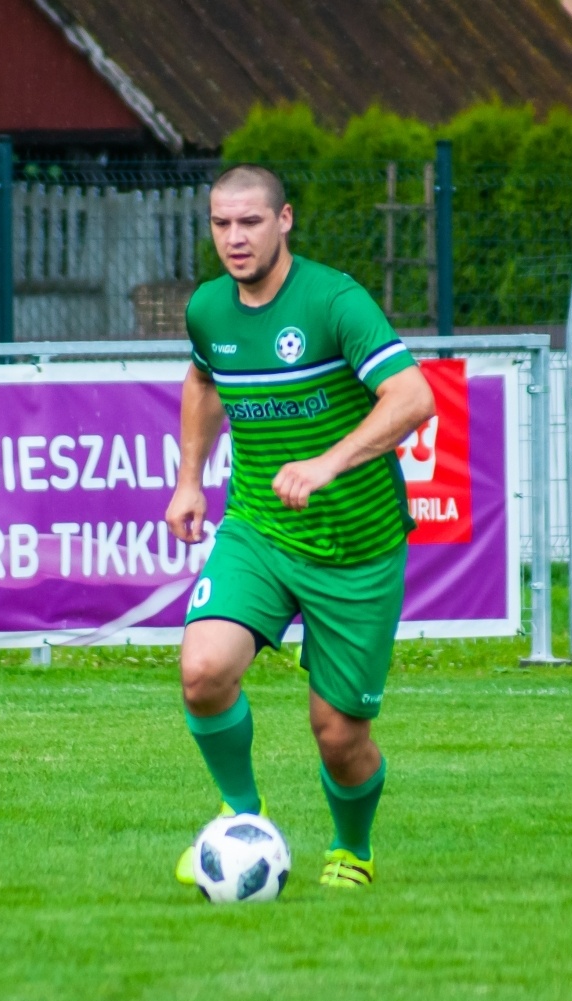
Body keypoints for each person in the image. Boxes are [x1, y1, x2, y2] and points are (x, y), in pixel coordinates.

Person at [165, 164, 435, 891]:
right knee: (203, 672)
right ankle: (240, 817)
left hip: (357, 548)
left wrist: (329, 462)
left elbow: (413, 396)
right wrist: (191, 479)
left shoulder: (333, 299)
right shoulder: (209, 309)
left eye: (250, 222)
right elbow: (201, 381)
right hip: (257, 527)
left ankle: (353, 850)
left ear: (284, 221)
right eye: (221, 223)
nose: (234, 237)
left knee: (339, 736)